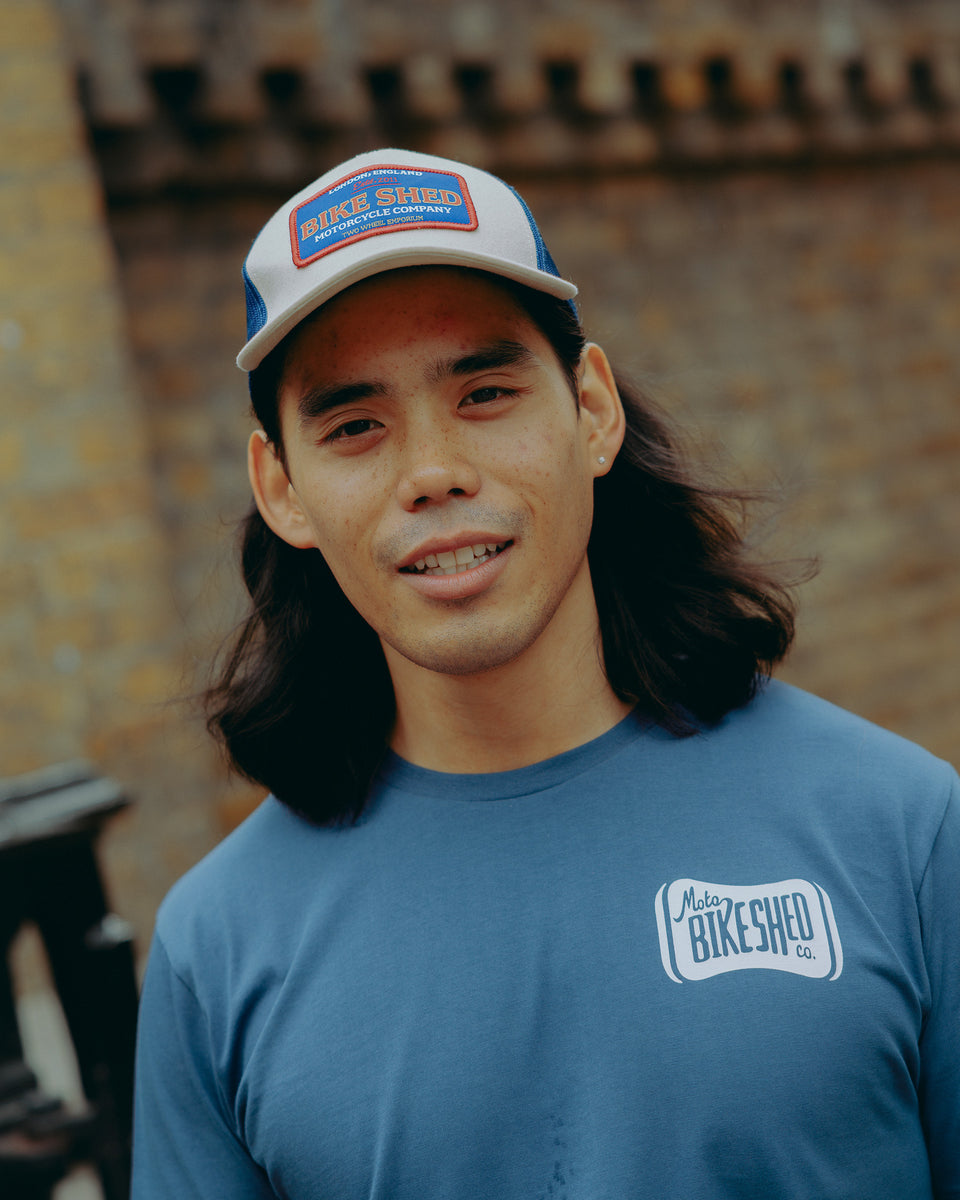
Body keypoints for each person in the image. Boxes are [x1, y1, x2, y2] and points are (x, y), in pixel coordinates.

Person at [131, 148, 959, 1199]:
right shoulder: (216, 954)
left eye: (485, 392)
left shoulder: (901, 832)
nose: (433, 472)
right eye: (354, 426)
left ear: (593, 410)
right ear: (281, 488)